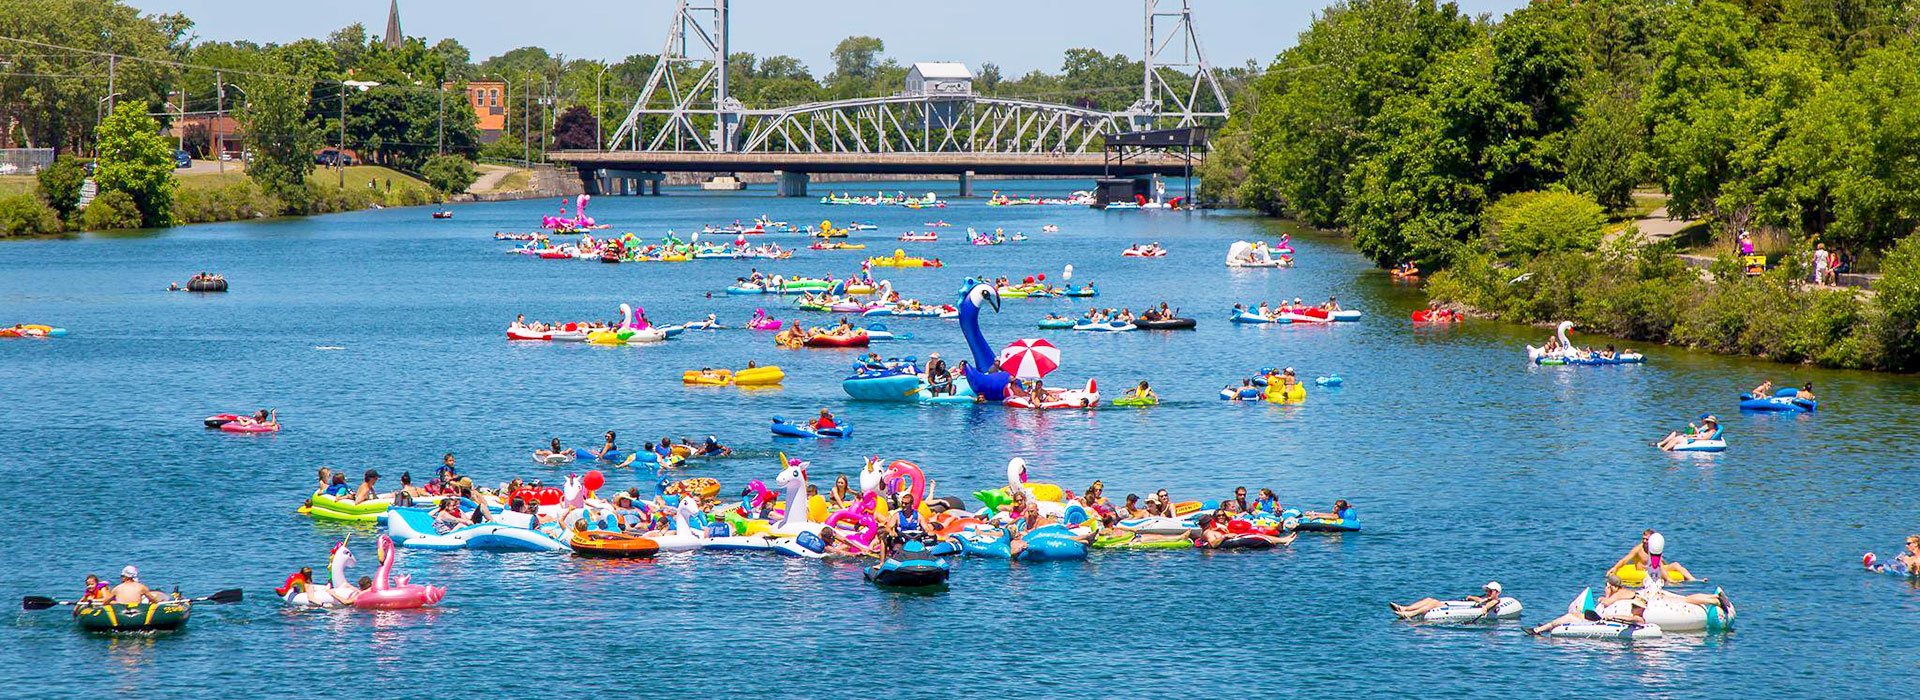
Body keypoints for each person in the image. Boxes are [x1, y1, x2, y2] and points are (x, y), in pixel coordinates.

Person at [1526, 583, 1644, 636]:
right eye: (1632, 606)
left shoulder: (1639, 619)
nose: (1632, 608)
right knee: (1576, 614)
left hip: (1602, 624)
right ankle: (1546, 627)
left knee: (1568, 617)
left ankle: (1537, 630)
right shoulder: (1637, 617)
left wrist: (1613, 617)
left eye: (1635, 607)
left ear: (1640, 609)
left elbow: (1630, 618)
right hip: (1601, 622)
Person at [1611, 529, 1702, 582]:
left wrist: (1668, 567)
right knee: (1659, 565)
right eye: (1643, 539)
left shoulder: (1653, 548)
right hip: (1643, 572)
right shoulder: (1638, 549)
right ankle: (1669, 581)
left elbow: (1661, 562)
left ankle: (1693, 580)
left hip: (1654, 569)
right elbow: (1625, 560)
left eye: (1647, 539)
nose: (1644, 541)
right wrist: (1615, 568)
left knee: (1675, 564)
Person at [1392, 582, 1504, 619]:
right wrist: (1471, 597)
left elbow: (1487, 606)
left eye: (1490, 591)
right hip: (1459, 607)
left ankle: (1410, 614)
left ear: (1497, 593)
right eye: (1487, 591)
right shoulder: (1486, 598)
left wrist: (1485, 608)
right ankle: (1404, 608)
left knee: (1433, 603)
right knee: (1430, 599)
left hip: (1461, 611)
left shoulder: (1494, 601)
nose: (1488, 593)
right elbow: (1479, 600)